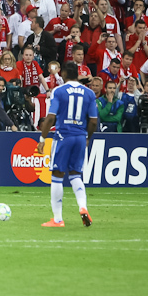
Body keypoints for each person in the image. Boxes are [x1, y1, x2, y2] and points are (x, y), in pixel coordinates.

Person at [38, 62, 97, 228]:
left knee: (57, 176)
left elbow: (50, 117)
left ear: (63, 73)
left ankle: (57, 219)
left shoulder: (59, 91)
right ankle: (83, 207)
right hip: (80, 136)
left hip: (63, 136)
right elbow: (93, 121)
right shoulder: (89, 93)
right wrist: (87, 138)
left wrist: (42, 139)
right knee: (76, 175)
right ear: (77, 74)